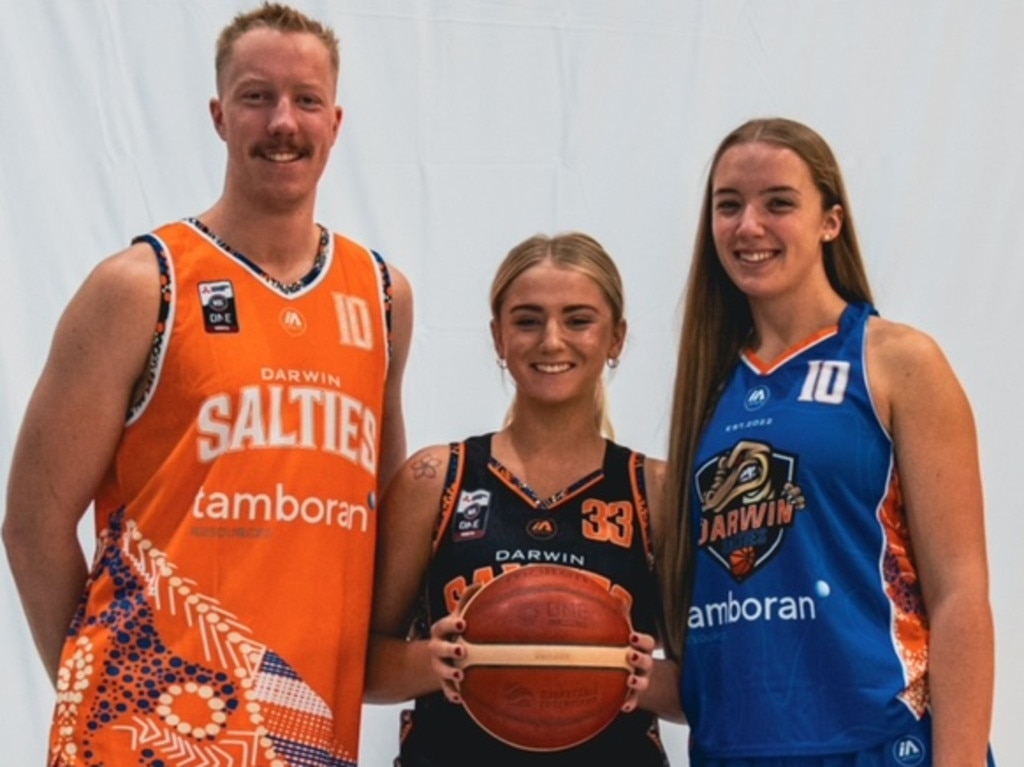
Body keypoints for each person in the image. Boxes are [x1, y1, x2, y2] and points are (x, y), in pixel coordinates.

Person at [2, 4, 412, 766]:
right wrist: (106, 685)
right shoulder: (139, 285)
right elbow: (31, 524)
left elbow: (386, 512)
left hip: (306, 731)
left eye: (306, 100)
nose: (282, 121)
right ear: (220, 116)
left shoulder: (384, 295)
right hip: (152, 733)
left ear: (336, 120)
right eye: (257, 97)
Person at [660, 117, 995, 766]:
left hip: (880, 743)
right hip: (735, 748)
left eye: (778, 202)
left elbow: (960, 594)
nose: (748, 225)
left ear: (830, 221)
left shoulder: (896, 360)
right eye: (728, 205)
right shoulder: (708, 384)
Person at [365, 232, 683, 766]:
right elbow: (362, 665)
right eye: (528, 320)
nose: (552, 341)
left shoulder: (656, 489)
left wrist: (641, 681)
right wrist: (432, 663)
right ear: (498, 336)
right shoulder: (435, 478)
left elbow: (705, 686)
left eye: (578, 319)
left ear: (617, 338)